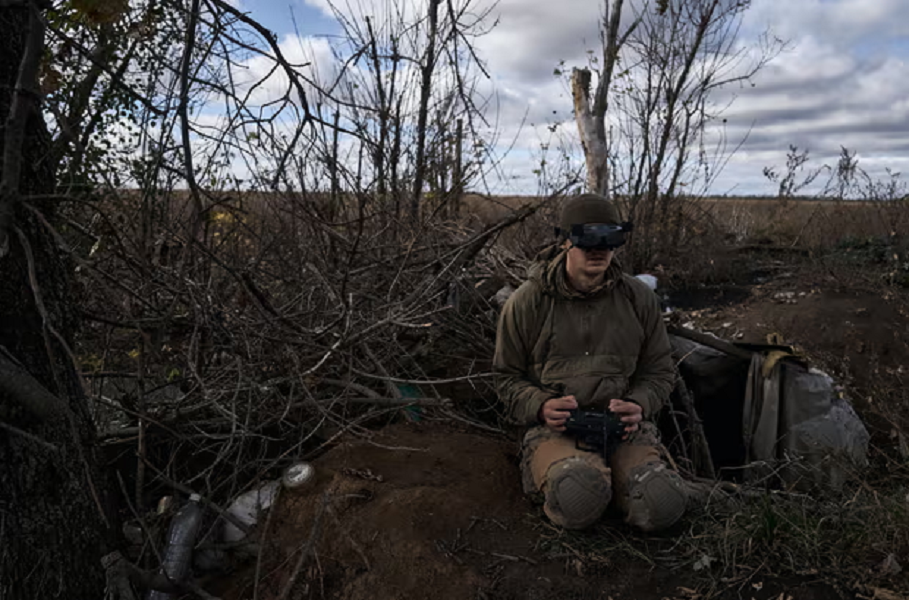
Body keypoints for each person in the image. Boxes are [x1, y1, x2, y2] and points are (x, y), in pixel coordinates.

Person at [494, 193, 687, 531]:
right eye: (587, 239)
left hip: (623, 429)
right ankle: (589, 485)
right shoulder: (528, 302)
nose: (599, 249)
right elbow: (505, 377)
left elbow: (659, 371)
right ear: (566, 240)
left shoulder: (638, 299)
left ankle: (625, 486)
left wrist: (639, 404)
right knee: (578, 497)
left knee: (662, 503)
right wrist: (541, 406)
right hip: (558, 431)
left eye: (609, 239)